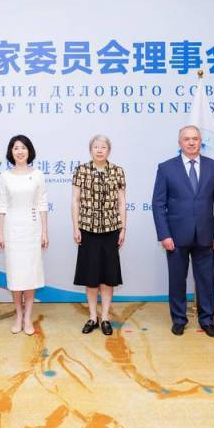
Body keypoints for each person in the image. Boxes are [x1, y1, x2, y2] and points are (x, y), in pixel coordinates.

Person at [152, 125, 214, 338]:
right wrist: (164, 234)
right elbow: (158, 204)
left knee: (206, 281)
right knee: (177, 280)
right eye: (187, 139)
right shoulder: (166, 168)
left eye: (195, 138)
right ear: (180, 143)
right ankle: (178, 319)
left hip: (206, 235)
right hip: (175, 237)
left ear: (200, 141)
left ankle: (207, 320)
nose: (191, 142)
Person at [71, 135, 126, 336]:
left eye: (103, 147)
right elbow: (75, 201)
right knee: (91, 276)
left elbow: (122, 202)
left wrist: (123, 228)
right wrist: (76, 227)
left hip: (111, 230)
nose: (100, 150)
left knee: (108, 277)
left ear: (108, 150)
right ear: (90, 149)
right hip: (87, 229)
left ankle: (105, 318)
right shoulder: (81, 170)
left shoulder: (117, 171)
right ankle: (92, 317)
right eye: (96, 147)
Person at [0, 135, 48, 336]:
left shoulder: (38, 175)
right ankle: (18, 315)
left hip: (32, 230)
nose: (19, 151)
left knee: (30, 275)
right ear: (11, 152)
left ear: (29, 151)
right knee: (16, 275)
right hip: (12, 230)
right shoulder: (5, 176)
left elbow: (42, 204)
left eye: (23, 148)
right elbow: (1, 206)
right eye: (16, 148)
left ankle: (28, 318)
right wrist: (0, 233)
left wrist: (44, 231)